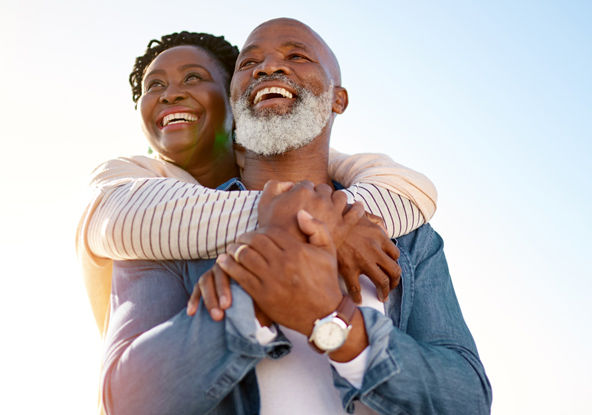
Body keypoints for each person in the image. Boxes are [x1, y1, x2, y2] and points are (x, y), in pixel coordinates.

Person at [102, 18, 491, 414]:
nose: (268, 67)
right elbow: (127, 400)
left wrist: (335, 321)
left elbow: (468, 401)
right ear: (234, 101)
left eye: (296, 55)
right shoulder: (164, 229)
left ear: (338, 99)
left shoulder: (408, 235)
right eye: (249, 62)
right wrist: (248, 298)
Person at [76, 31, 438, 335]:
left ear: (236, 100)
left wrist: (322, 216)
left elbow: (408, 187)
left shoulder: (283, 167)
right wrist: (316, 222)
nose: (170, 93)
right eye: (154, 85)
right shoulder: (128, 175)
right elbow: (124, 220)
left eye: (192, 78)